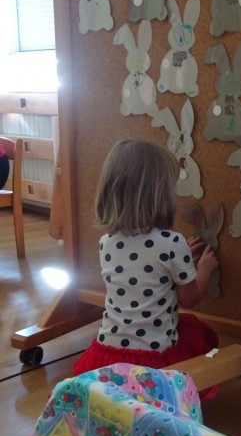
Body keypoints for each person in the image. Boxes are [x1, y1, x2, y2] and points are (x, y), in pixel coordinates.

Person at [73, 139, 220, 399]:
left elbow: (143, 271)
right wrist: (205, 269)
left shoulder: (107, 241)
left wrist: (179, 257)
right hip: (153, 357)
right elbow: (190, 298)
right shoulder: (171, 242)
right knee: (199, 334)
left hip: (108, 352)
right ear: (159, 195)